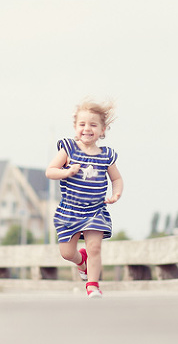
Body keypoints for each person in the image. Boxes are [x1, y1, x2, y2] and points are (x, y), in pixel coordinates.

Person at [45, 99, 123, 298]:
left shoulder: (106, 155)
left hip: (95, 210)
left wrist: (116, 193)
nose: (87, 129)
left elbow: (116, 178)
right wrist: (66, 172)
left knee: (94, 247)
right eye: (82, 124)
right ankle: (81, 261)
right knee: (66, 253)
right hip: (70, 210)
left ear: (102, 130)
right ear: (75, 127)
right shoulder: (68, 149)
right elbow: (50, 171)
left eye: (93, 125)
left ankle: (93, 285)